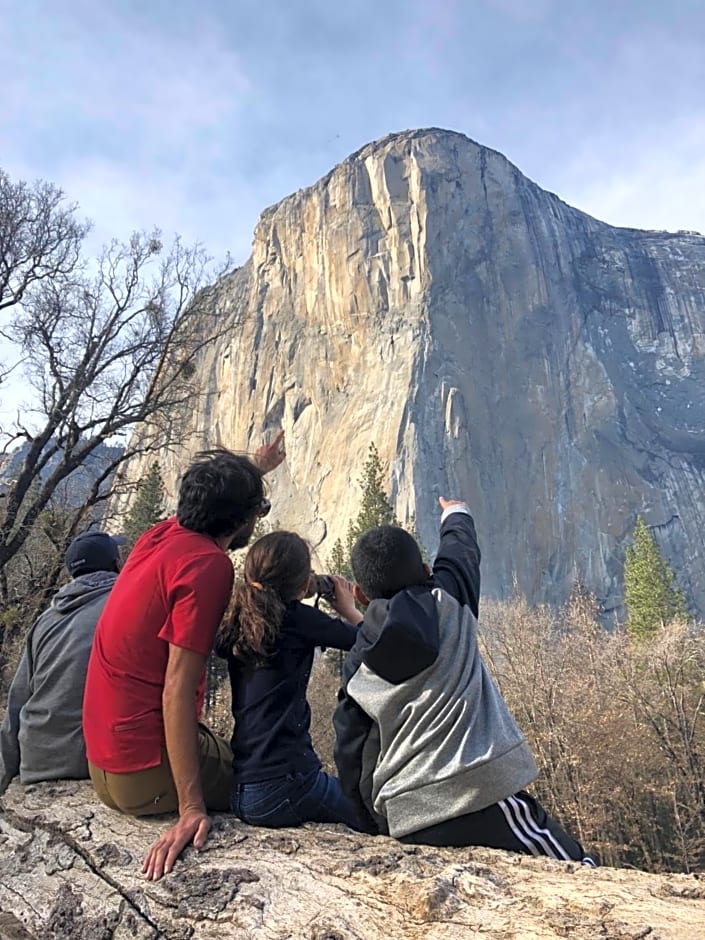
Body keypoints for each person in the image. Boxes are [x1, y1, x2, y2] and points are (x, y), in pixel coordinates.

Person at [333, 498, 596, 865]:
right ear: (427, 571)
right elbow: (460, 552)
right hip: (481, 798)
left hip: (409, 818)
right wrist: (455, 512)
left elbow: (352, 751)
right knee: (579, 872)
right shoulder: (450, 603)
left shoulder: (359, 663)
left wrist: (374, 826)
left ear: (361, 595)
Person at [82, 435, 286, 881]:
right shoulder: (207, 566)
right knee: (276, 777)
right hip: (141, 773)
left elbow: (217, 497)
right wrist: (191, 807)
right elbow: (176, 688)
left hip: (104, 762)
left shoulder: (160, 536)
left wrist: (256, 467)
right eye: (259, 509)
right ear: (243, 518)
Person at [217, 531, 364, 831]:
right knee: (370, 817)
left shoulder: (237, 616)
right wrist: (350, 610)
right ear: (302, 585)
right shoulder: (297, 619)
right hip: (287, 785)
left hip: (244, 789)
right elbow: (371, 642)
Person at [0, 531, 124, 795]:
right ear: (117, 564)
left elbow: (18, 700)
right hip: (90, 762)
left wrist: (8, 774)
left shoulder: (46, 619)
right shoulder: (126, 605)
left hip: (35, 758)